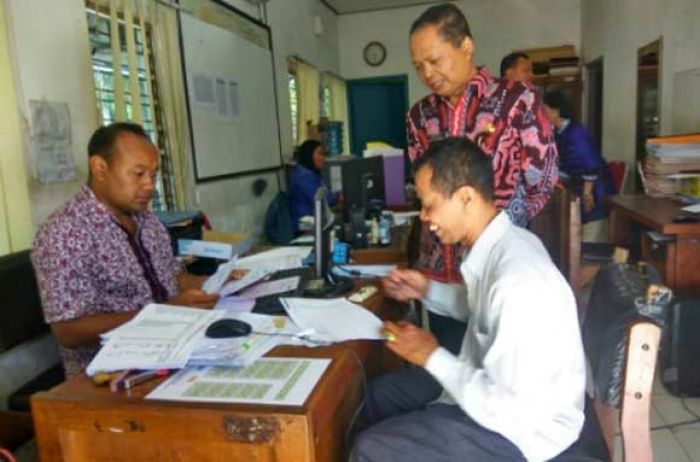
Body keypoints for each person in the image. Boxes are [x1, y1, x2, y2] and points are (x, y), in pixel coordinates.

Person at [351, 138, 585, 462]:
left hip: (523, 430)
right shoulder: (504, 243)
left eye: (429, 205)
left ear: (465, 198)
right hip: (484, 382)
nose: (423, 216)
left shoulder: (518, 283)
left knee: (369, 449)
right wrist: (425, 291)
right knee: (375, 396)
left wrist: (429, 355)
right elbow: (480, 308)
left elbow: (507, 409)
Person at [406, 3, 558, 353]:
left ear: (466, 47)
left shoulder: (516, 101)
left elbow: (542, 181)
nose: (427, 73)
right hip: (440, 272)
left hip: (497, 274)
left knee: (496, 374)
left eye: (434, 60)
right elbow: (424, 189)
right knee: (450, 376)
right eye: (418, 66)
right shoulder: (419, 116)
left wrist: (495, 235)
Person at [32, 122, 222, 377]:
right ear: (100, 168)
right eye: (138, 173)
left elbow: (171, 279)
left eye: (153, 175)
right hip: (112, 375)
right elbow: (69, 331)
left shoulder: (148, 221)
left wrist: (217, 281)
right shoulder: (64, 233)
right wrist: (166, 313)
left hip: (175, 349)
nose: (149, 186)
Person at [543, 90, 615, 241]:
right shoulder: (558, 132)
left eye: (544, 110)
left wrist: (588, 193)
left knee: (592, 240)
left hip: (594, 192)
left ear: (555, 111)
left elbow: (590, 164)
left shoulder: (576, 133)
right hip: (578, 190)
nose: (541, 114)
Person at [289, 139, 337, 233]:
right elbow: (322, 198)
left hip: (313, 218)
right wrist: (338, 197)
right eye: (320, 154)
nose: (323, 158)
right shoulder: (304, 176)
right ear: (309, 155)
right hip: (304, 223)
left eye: (324, 154)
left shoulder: (311, 173)